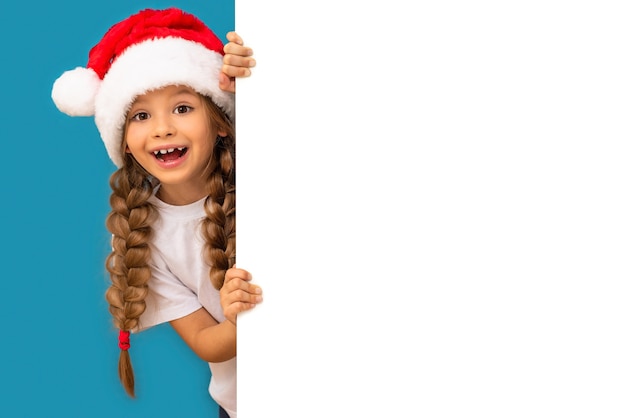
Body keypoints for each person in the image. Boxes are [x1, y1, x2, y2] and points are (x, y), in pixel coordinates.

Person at [50, 7, 261, 418]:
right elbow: (204, 341)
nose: (162, 128)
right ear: (124, 141)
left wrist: (251, 75)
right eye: (141, 116)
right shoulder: (145, 234)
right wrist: (236, 324)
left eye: (182, 108)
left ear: (219, 121)